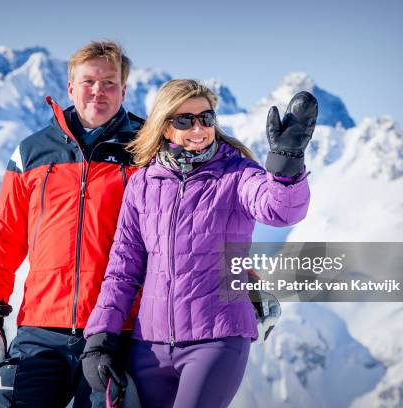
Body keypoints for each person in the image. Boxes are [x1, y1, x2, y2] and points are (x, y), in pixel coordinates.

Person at [81, 79, 316, 407]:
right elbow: (123, 269)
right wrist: (100, 338)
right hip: (149, 347)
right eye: (184, 119)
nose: (199, 128)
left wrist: (286, 167)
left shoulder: (236, 174)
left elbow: (280, 210)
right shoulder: (143, 184)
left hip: (218, 338)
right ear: (164, 127)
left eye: (206, 118)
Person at [0, 41, 143, 407]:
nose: (99, 91)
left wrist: (244, 285)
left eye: (110, 82)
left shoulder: (146, 151)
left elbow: (195, 225)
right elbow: (4, 237)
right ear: (70, 88)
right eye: (89, 81)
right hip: (40, 332)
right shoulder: (32, 153)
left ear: (124, 90)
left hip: (117, 332)